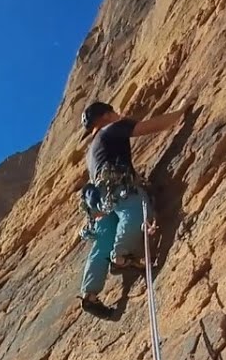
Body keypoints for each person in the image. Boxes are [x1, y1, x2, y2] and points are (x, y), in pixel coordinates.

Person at [77, 99, 188, 314]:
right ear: (106, 115)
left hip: (101, 197)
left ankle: (89, 294)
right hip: (118, 187)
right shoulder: (111, 128)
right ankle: (121, 256)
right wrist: (180, 111)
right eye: (114, 112)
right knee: (136, 209)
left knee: (104, 239)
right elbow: (150, 126)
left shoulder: (90, 153)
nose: (119, 114)